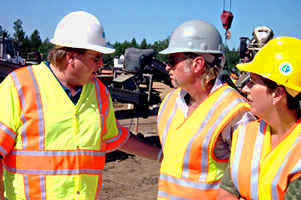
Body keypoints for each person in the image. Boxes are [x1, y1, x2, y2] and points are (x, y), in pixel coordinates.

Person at [0, 10, 160, 200]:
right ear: (70, 57)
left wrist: (161, 156)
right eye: (95, 58)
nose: (101, 64)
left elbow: (115, 137)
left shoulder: (99, 92)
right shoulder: (19, 86)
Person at [156, 20, 253, 199]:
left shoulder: (234, 110)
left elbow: (248, 176)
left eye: (172, 60)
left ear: (197, 64)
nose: (167, 67)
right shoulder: (169, 103)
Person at [217, 37, 301, 200]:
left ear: (277, 94)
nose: (244, 88)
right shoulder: (245, 133)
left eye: (253, 82)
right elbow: (225, 193)